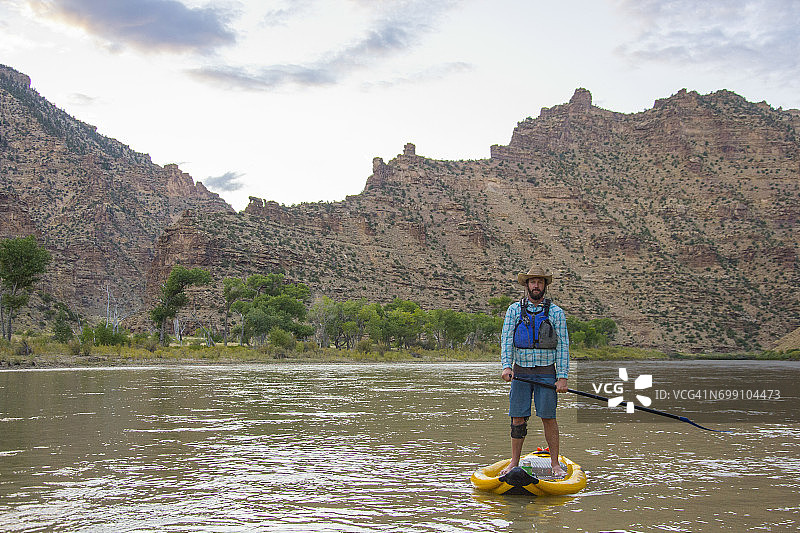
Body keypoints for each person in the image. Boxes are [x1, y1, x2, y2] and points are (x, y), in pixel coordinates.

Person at [499, 265, 570, 477]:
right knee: (517, 419)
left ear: (545, 285)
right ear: (527, 285)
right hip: (520, 373)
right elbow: (506, 340)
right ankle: (514, 462)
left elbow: (563, 346)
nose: (536, 285)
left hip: (546, 373)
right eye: (533, 282)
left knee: (548, 417)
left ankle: (555, 464)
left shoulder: (556, 313)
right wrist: (506, 366)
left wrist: (562, 377)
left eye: (540, 282)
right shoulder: (513, 310)